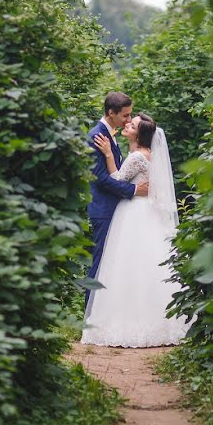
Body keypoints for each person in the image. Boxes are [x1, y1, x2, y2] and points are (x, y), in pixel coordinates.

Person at [81, 111, 191, 347]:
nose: (129, 123)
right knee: (146, 264)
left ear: (139, 133)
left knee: (127, 264)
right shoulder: (148, 154)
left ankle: (128, 320)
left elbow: (118, 178)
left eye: (133, 124)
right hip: (147, 213)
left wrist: (109, 154)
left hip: (134, 213)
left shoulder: (136, 157)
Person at [84, 92, 149, 307]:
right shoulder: (97, 135)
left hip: (116, 209)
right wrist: (132, 190)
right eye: (125, 116)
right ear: (111, 113)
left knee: (111, 264)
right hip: (103, 210)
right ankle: (89, 314)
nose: (128, 120)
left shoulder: (110, 134)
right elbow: (101, 179)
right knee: (100, 263)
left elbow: (118, 171)